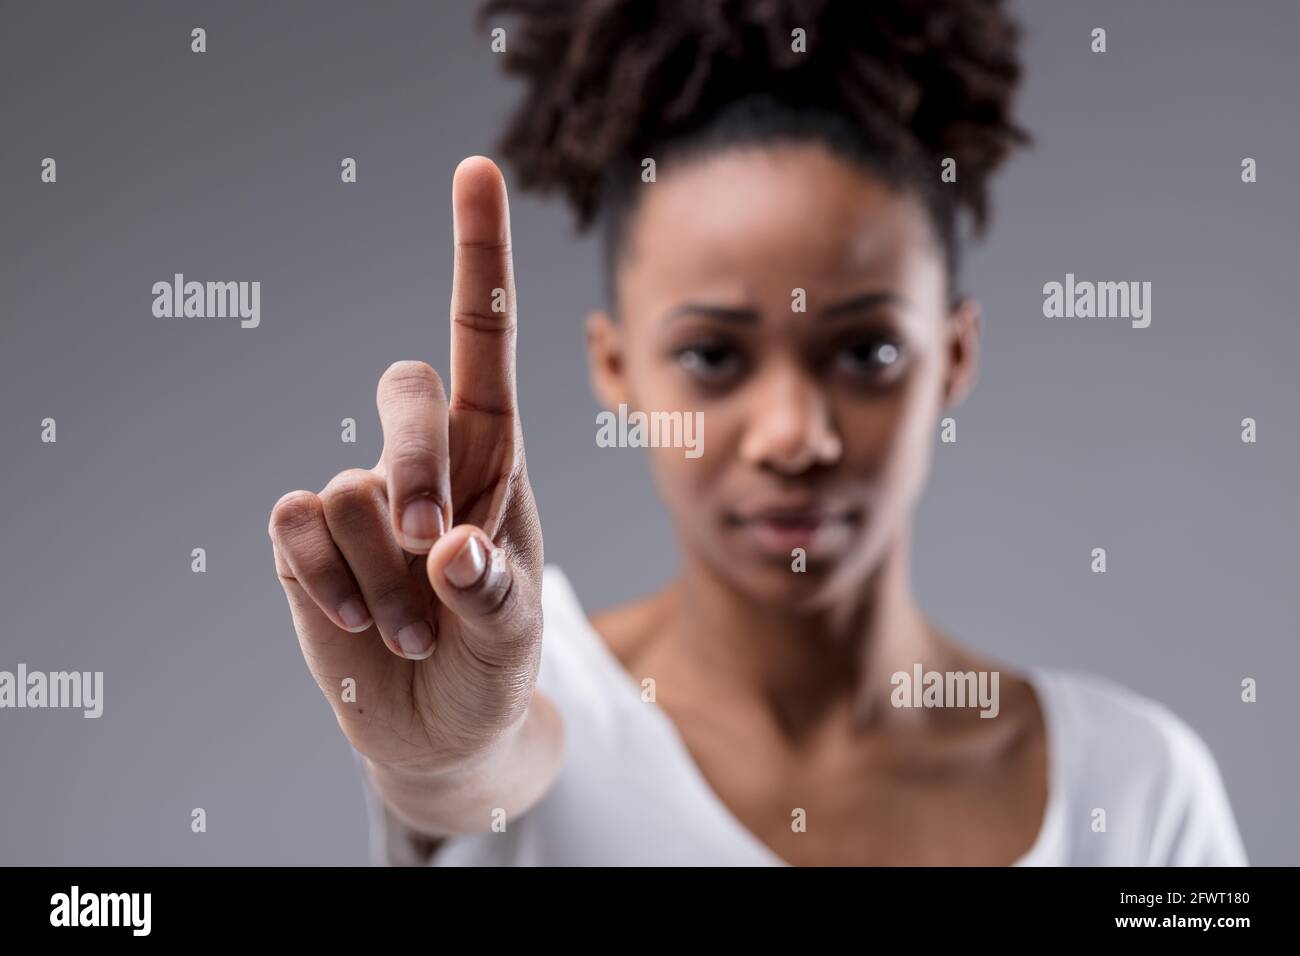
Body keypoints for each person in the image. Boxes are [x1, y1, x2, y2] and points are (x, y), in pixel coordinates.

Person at [268, 0, 1247, 865]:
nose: (793, 435)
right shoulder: (519, 688)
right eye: (711, 357)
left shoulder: (1133, 791)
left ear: (952, 354)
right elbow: (480, 772)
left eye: (865, 351)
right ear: (617, 368)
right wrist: (445, 755)